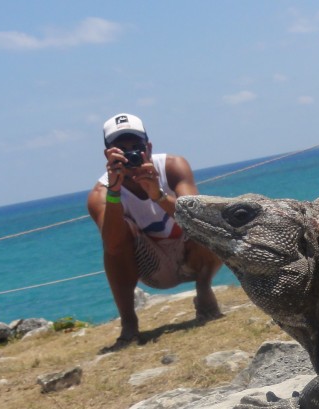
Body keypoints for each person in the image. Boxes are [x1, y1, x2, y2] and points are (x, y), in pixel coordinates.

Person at [87, 113, 223, 350]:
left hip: (193, 254)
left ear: (148, 147)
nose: (130, 155)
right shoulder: (101, 194)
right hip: (153, 267)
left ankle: (204, 288)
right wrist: (115, 192)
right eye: (121, 149)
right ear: (108, 155)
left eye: (136, 147)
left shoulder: (172, 167)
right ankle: (129, 323)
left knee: (209, 216)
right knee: (114, 238)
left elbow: (198, 220)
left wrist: (157, 194)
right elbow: (113, 244)